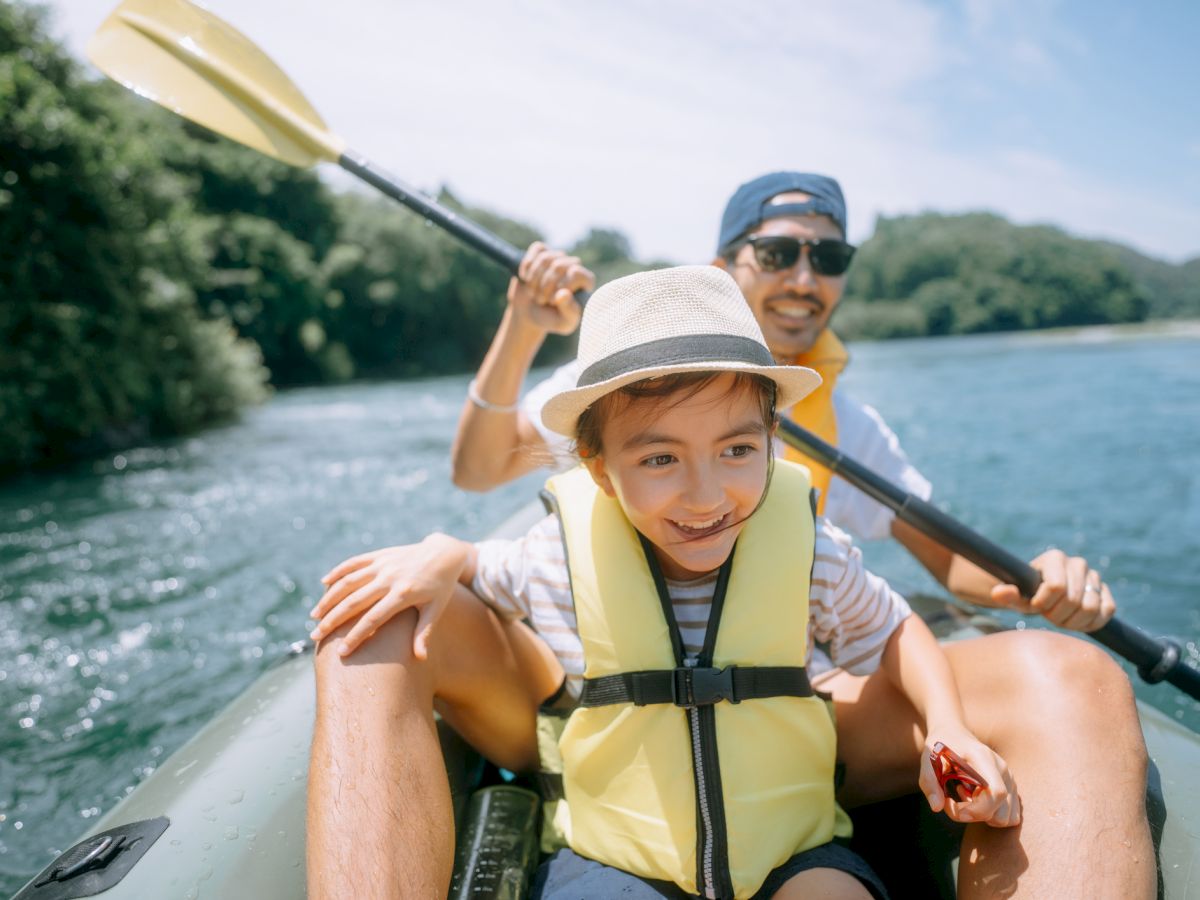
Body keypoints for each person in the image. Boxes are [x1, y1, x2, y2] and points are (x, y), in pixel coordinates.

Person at [436, 172, 1153, 897]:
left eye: (828, 259)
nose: (804, 278)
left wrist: (1039, 586)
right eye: (778, 254)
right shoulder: (613, 386)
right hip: (617, 704)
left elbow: (952, 571)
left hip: (798, 698)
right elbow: (477, 468)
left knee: (1067, 678)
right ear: (726, 269)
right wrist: (524, 326)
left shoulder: (857, 430)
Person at [310, 266, 1023, 899]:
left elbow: (895, 627)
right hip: (614, 857)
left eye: (738, 450)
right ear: (599, 469)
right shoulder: (554, 553)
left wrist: (946, 726)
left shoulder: (813, 552)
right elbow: (480, 569)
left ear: (771, 440)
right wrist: (445, 552)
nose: (706, 495)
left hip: (792, 849)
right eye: (660, 461)